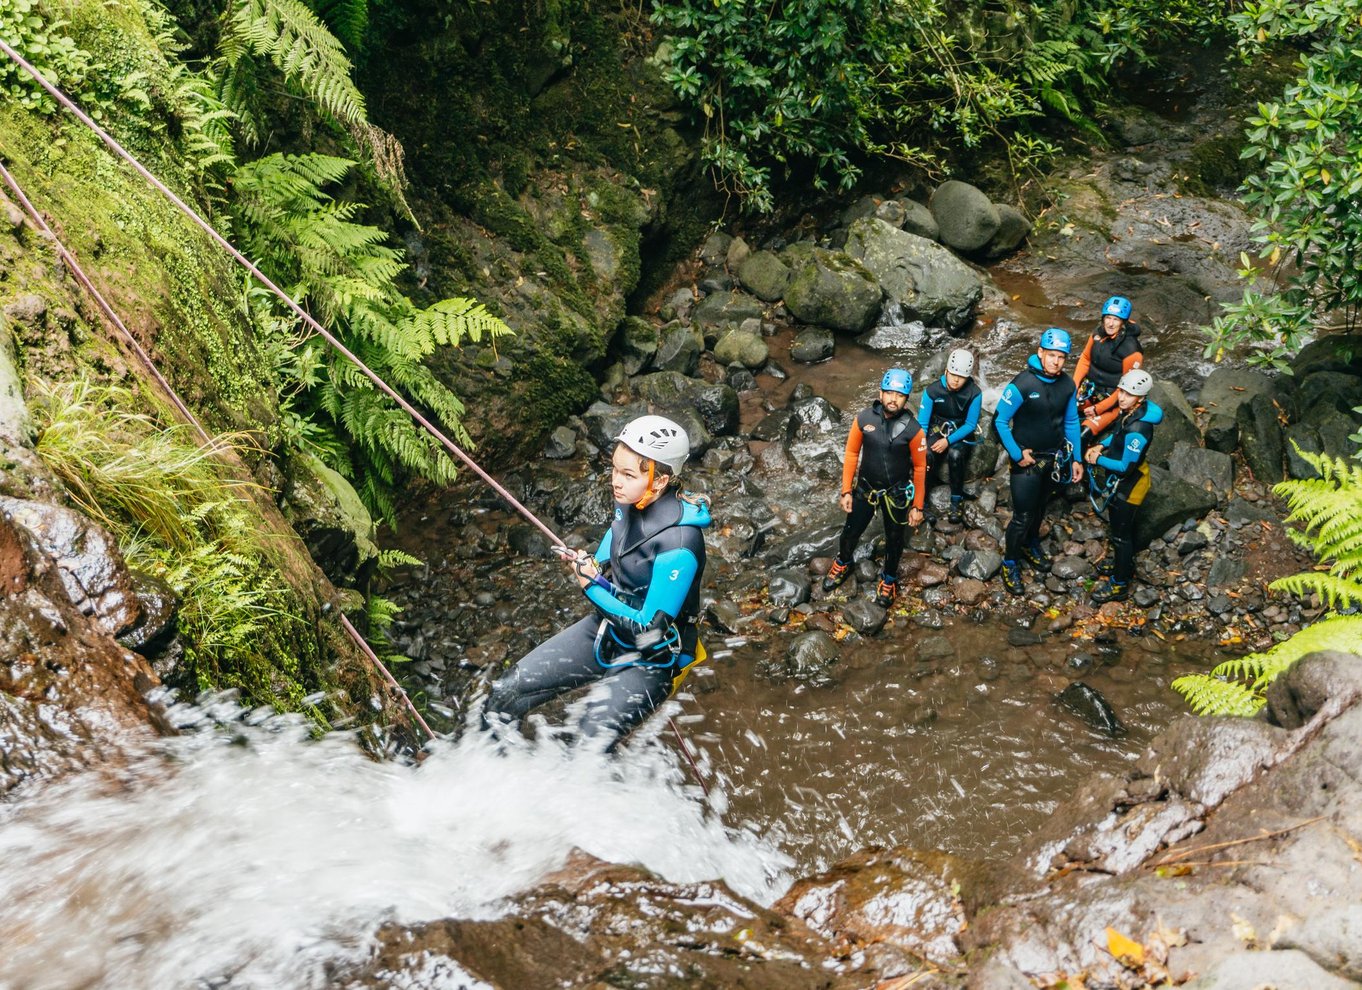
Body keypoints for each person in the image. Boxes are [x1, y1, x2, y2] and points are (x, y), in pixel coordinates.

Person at [482, 415, 710, 752]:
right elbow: (617, 540)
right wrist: (590, 561)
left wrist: (591, 586)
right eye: (615, 469)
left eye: (628, 474)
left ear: (660, 481)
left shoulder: (679, 545)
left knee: (589, 744)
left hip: (652, 660)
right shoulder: (632, 500)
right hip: (606, 630)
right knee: (505, 694)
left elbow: (649, 629)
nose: (616, 482)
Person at [821, 368, 927, 608]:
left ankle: (888, 579)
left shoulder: (913, 430)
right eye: (889, 393)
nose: (893, 399)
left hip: (897, 494)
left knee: (894, 538)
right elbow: (851, 453)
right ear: (880, 393)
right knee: (851, 531)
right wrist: (846, 490)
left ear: (906, 399)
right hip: (866, 489)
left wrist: (917, 506)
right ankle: (843, 561)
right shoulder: (864, 419)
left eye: (899, 395)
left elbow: (920, 469)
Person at [994, 329, 1084, 596]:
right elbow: (998, 421)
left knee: (1040, 507)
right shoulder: (1023, 384)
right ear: (1041, 353)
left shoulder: (1068, 385)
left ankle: (1032, 543)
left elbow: (1071, 422)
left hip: (1053, 458)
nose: (1056, 361)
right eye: (1052, 355)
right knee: (1022, 516)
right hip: (1027, 461)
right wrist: (1016, 453)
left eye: (1061, 357)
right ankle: (1009, 563)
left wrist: (1077, 458)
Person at [1083, 369, 1162, 604]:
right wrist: (1102, 446)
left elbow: (1126, 467)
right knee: (1119, 532)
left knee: (1121, 536)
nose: (1122, 397)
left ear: (1141, 398)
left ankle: (1119, 583)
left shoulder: (1139, 429)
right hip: (1125, 481)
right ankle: (1121, 563)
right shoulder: (1132, 413)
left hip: (1131, 484)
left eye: (1128, 395)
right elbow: (1117, 435)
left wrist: (1098, 460)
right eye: (1122, 392)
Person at [917, 348, 983, 524]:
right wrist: (920, 447)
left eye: (961, 377)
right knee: (927, 455)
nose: (955, 380)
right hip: (937, 429)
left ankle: (956, 501)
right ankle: (921, 503)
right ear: (946, 370)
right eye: (953, 374)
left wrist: (948, 441)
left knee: (955, 454)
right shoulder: (932, 391)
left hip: (961, 431)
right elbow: (923, 425)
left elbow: (970, 425)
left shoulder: (974, 393)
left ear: (968, 377)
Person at [1073, 296, 1142, 440]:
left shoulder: (1132, 350)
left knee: (1082, 435)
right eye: (1108, 318)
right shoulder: (1098, 333)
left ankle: (1080, 461)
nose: (1110, 324)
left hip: (1111, 404)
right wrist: (1075, 387)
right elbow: (1085, 359)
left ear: (1123, 322)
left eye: (1116, 319)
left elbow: (1125, 389)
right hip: (1089, 392)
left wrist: (1099, 409)